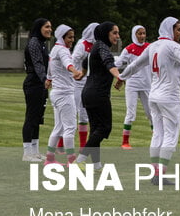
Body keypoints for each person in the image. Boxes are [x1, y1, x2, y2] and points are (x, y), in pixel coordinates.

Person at [119, 17, 180, 184]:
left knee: (158, 134)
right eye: (178, 29)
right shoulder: (172, 46)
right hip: (169, 97)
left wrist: (122, 77)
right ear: (169, 29)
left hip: (154, 96)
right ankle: (160, 175)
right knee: (170, 136)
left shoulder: (152, 46)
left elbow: (135, 65)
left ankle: (155, 173)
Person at [74, 22, 123, 168]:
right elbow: (109, 63)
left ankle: (97, 165)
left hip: (88, 93)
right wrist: (119, 77)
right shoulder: (102, 47)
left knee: (95, 129)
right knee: (104, 128)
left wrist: (82, 73)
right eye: (114, 33)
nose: (117, 36)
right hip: (98, 94)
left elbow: (85, 61)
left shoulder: (96, 46)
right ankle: (80, 159)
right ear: (105, 33)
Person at [44, 24, 84, 164]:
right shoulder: (63, 50)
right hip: (65, 94)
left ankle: (49, 158)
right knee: (70, 128)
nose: (72, 40)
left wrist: (49, 79)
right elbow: (68, 63)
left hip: (56, 93)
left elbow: (50, 68)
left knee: (59, 127)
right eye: (69, 37)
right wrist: (75, 71)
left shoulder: (55, 49)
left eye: (73, 37)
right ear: (62, 37)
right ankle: (71, 161)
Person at [114, 25, 151, 150]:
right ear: (134, 35)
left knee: (151, 113)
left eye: (143, 33)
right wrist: (119, 77)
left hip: (147, 84)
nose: (142, 36)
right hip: (132, 84)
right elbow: (118, 64)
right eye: (139, 34)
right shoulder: (129, 49)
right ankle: (125, 142)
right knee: (130, 113)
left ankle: (156, 141)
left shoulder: (150, 48)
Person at [21, 18, 52, 161]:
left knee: (38, 118)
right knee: (31, 117)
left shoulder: (42, 44)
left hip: (41, 83)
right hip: (34, 83)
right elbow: (38, 64)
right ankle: (27, 153)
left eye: (50, 27)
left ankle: (35, 151)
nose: (49, 29)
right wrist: (45, 79)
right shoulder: (34, 43)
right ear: (39, 28)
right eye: (47, 27)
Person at [70, 21, 99, 149]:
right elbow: (74, 59)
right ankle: (61, 144)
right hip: (77, 83)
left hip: (88, 83)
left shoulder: (96, 45)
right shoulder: (82, 44)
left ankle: (83, 145)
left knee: (84, 114)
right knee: (74, 112)